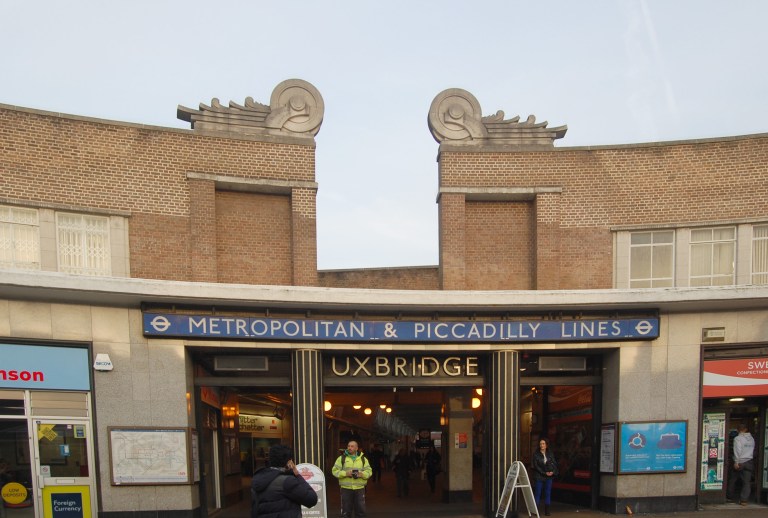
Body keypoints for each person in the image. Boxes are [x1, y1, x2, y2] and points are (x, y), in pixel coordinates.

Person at [250, 444, 318, 518]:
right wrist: (297, 475)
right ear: (289, 462)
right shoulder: (287, 481)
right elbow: (312, 499)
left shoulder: (257, 478)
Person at [332, 440, 372, 517]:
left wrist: (362, 474)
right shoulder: (341, 459)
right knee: (346, 511)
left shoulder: (363, 459)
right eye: (348, 446)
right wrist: (345, 473)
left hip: (360, 489)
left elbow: (369, 471)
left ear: (356, 448)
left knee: (360, 511)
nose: (349, 448)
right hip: (346, 489)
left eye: (352, 446)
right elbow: (334, 471)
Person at [727, 423, 755, 505]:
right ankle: (744, 500)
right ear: (746, 429)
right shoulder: (752, 439)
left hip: (740, 462)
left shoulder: (738, 438)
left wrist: (736, 461)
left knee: (733, 479)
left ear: (737, 430)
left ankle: (730, 496)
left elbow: (737, 450)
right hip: (749, 461)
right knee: (746, 482)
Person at [532, 438, 558, 516]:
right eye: (540, 444)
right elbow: (536, 466)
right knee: (538, 493)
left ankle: (547, 510)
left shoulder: (550, 453)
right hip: (539, 476)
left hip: (549, 476)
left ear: (546, 445)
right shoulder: (536, 454)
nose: (542, 445)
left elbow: (554, 463)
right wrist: (544, 473)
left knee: (547, 493)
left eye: (543, 444)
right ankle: (535, 511)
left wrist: (552, 471)